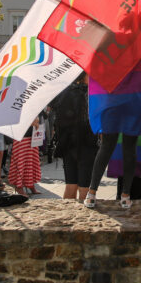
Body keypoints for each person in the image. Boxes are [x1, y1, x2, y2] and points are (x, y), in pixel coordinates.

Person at [84, 12, 141, 210]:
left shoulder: (109, 39)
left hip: (111, 101)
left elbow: (94, 64)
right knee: (129, 149)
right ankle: (125, 196)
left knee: (106, 147)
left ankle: (91, 194)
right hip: (133, 101)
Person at [51, 73, 97, 201]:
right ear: (83, 76)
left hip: (67, 143)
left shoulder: (64, 92)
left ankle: (67, 215)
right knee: (84, 187)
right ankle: (83, 216)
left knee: (70, 185)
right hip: (86, 143)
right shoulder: (90, 94)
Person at [9, 119, 42, 196]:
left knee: (31, 161)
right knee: (20, 161)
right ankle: (18, 186)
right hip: (20, 136)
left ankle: (30, 184)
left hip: (32, 135)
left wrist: (36, 121)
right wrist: (30, 122)